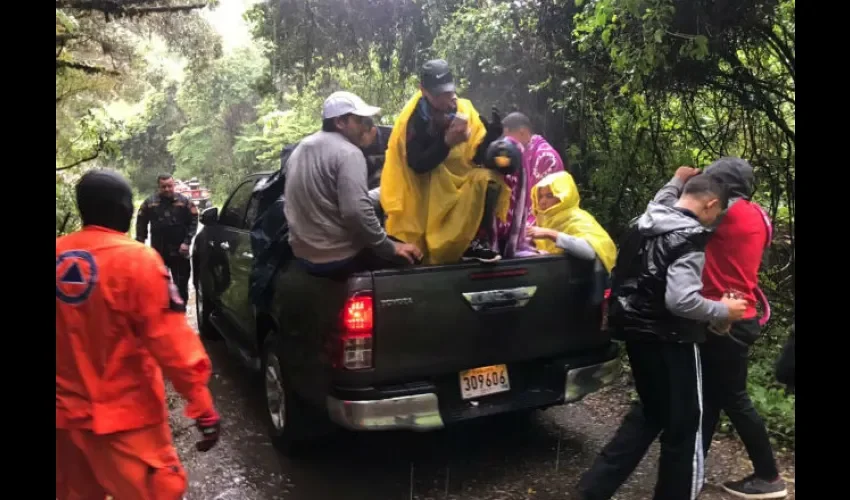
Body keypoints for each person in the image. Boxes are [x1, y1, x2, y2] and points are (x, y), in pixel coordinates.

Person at [577, 174, 749, 500]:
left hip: (636, 336)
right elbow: (680, 300)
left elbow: (662, 200)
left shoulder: (644, 222)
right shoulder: (690, 238)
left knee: (651, 414)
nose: (715, 221)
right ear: (710, 204)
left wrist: (673, 181)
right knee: (686, 427)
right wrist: (722, 310)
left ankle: (593, 489)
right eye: (718, 212)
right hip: (674, 342)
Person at [57, 169, 221, 500]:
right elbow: (173, 345)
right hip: (126, 423)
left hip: (65, 427)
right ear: (126, 209)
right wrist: (202, 406)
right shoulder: (137, 262)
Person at [654, 159, 787, 499]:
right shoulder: (757, 214)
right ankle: (691, 470)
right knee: (712, 398)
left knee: (732, 397)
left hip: (722, 319)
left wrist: (677, 181)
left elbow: (662, 217)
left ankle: (769, 477)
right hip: (740, 314)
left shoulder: (723, 214)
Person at [380, 59, 510, 264]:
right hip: (422, 193)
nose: (447, 98)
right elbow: (417, 164)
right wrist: (446, 142)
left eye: (449, 92)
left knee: (488, 179)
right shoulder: (415, 118)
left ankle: (472, 242)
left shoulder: (464, 108)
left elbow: (477, 156)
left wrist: (491, 137)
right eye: (440, 94)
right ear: (424, 90)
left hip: (456, 185)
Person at [284, 91, 423, 277]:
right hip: (337, 256)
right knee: (414, 257)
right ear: (340, 122)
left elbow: (334, 201)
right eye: (360, 121)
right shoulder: (348, 153)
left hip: (305, 255)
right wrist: (390, 247)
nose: (366, 128)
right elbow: (355, 211)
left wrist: (389, 190)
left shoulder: (302, 148)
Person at [499, 112, 566, 255]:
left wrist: (523, 231)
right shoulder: (521, 154)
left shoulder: (546, 158)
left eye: (507, 137)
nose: (506, 142)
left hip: (545, 229)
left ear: (522, 132)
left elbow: (545, 202)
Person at [526, 171, 617, 272]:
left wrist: (550, 234)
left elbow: (590, 252)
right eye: (540, 196)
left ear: (564, 197)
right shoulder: (545, 221)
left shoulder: (577, 218)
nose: (542, 201)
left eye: (549, 196)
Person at [135, 173, 199, 305]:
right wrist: (140, 244)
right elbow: (141, 222)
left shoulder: (184, 202)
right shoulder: (150, 203)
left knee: (181, 286)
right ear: (159, 187)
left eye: (169, 186)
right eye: (163, 187)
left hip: (180, 251)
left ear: (174, 185)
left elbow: (193, 220)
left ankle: (180, 314)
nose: (167, 189)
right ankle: (162, 314)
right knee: (158, 286)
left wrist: (187, 242)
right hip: (158, 252)